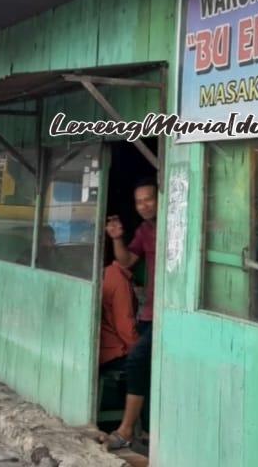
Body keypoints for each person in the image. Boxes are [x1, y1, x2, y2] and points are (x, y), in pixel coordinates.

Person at [103, 178, 157, 451]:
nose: (144, 205)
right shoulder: (145, 230)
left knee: (136, 362)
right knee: (147, 371)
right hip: (150, 315)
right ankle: (147, 434)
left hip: (170, 314)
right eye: (139, 201)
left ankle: (125, 430)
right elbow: (127, 261)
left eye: (149, 198)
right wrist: (117, 238)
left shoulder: (175, 224)